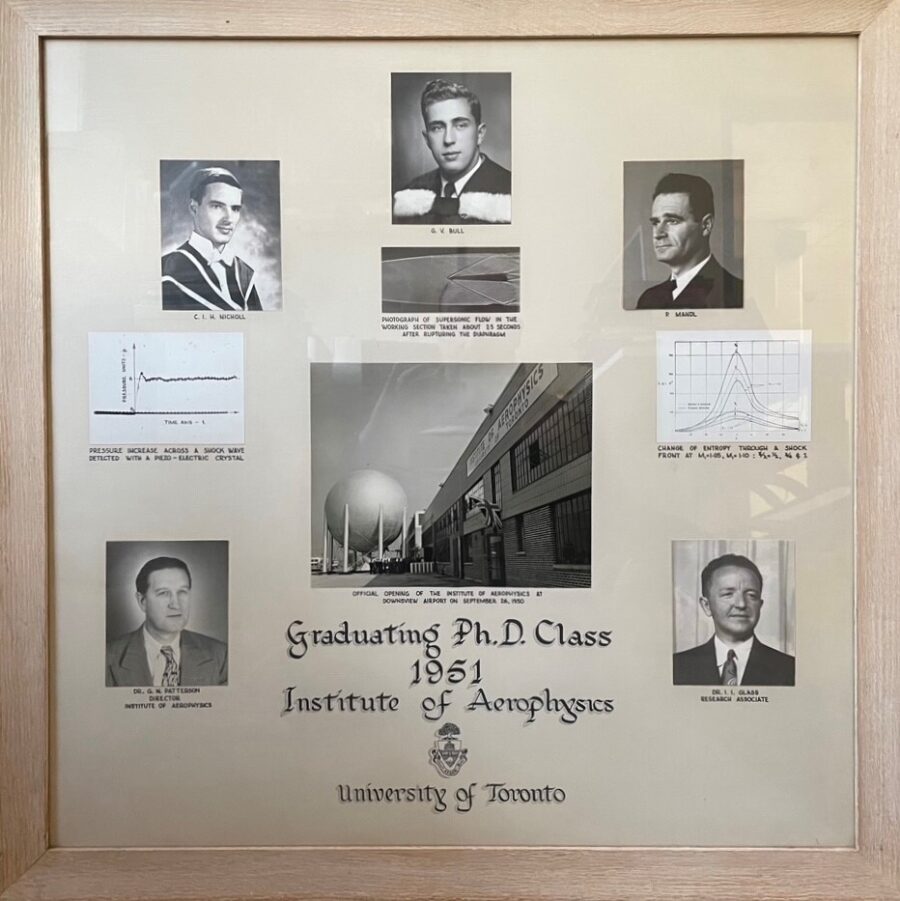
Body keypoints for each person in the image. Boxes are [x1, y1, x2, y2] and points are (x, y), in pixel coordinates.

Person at [393, 79, 511, 225]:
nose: (448, 139)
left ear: (479, 134)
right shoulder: (408, 196)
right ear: (427, 139)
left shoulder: (510, 191)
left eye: (460, 125)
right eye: (437, 128)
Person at [673, 553, 794, 686]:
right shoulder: (677, 667)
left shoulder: (790, 669)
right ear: (707, 606)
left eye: (751, 595)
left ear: (760, 605)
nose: (741, 604)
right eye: (728, 594)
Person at [106, 556, 228, 687]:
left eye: (182, 592)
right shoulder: (107, 658)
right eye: (163, 593)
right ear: (142, 601)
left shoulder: (220, 655)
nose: (175, 604)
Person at [636, 173, 743, 310]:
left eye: (672, 221)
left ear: (706, 226)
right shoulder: (648, 299)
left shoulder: (736, 296)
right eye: (656, 222)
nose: (658, 234)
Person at [162, 167, 263, 311]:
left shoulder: (244, 275)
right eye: (217, 206)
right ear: (194, 208)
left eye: (235, 209)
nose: (229, 219)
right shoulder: (168, 272)